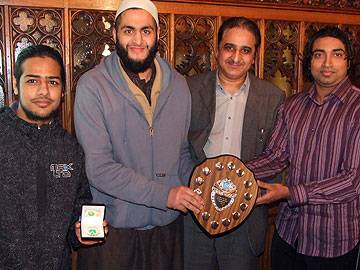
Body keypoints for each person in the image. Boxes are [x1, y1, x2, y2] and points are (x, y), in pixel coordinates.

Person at [74, 0, 204, 269]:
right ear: (115, 34)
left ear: (158, 34)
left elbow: (179, 153)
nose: (137, 40)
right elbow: (99, 168)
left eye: (146, 31)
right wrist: (165, 196)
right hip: (114, 235)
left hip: (166, 231)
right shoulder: (92, 86)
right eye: (128, 30)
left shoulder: (179, 86)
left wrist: (201, 183)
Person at [246, 26, 360, 270]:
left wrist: (289, 193)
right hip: (289, 234)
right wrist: (232, 170)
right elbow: (275, 157)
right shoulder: (293, 106)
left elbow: (353, 181)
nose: (327, 63)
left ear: (348, 62)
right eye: (319, 54)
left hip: (333, 241)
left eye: (337, 54)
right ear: (309, 61)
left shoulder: (357, 108)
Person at [184, 17, 284, 270]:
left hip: (245, 218)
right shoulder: (188, 89)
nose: (236, 57)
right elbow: (176, 147)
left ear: (254, 56)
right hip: (195, 213)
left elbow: (277, 156)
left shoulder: (272, 98)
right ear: (217, 50)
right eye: (229, 47)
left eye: (245, 50)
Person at [0, 44, 104, 270]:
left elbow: (78, 209)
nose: (44, 91)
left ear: (63, 90)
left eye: (53, 82)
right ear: (16, 86)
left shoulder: (70, 148)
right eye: (33, 81)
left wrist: (80, 234)